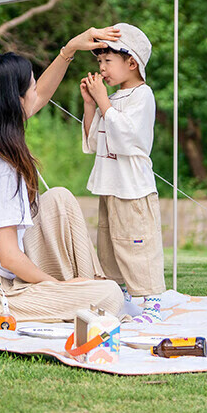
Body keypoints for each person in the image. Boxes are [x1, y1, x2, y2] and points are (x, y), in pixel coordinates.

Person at [0, 28, 126, 324]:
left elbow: (40, 95)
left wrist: (69, 50)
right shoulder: (3, 166)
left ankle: (86, 282)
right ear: (15, 101)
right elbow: (9, 257)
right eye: (30, 87)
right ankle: (82, 289)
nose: (35, 92)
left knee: (59, 199)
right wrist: (57, 287)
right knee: (109, 296)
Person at [81, 22, 165, 323]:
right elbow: (93, 142)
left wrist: (103, 101)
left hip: (133, 189)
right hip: (110, 186)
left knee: (137, 243)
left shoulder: (143, 96)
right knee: (110, 243)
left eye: (108, 61)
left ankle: (153, 303)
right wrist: (92, 105)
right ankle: (123, 299)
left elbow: (130, 138)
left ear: (132, 63)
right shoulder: (113, 98)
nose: (102, 68)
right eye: (99, 61)